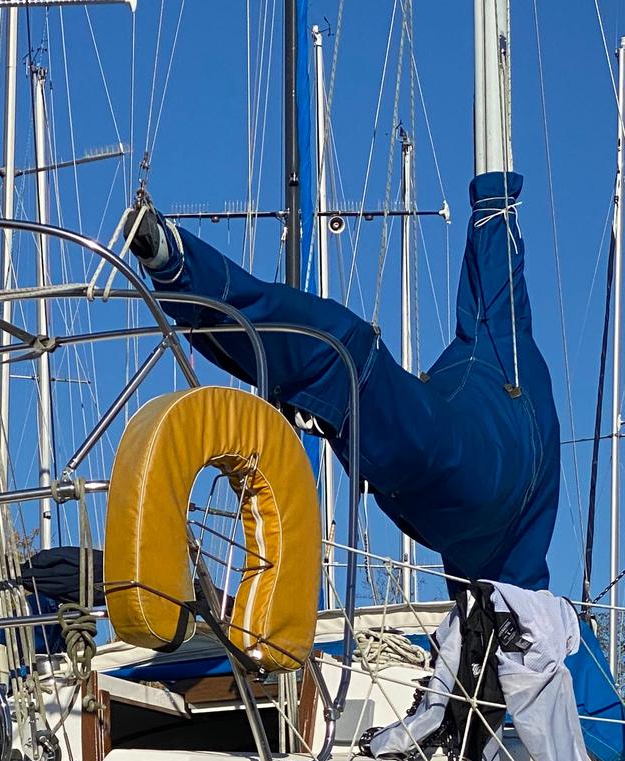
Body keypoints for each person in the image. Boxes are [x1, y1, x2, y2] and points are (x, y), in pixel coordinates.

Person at [124, 171, 560, 592]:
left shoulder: (498, 365)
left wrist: (493, 204)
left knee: (346, 352)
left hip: (451, 472)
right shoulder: (502, 362)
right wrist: (494, 203)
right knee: (348, 360)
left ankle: (184, 272)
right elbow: (496, 303)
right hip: (465, 488)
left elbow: (496, 305)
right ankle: (187, 279)